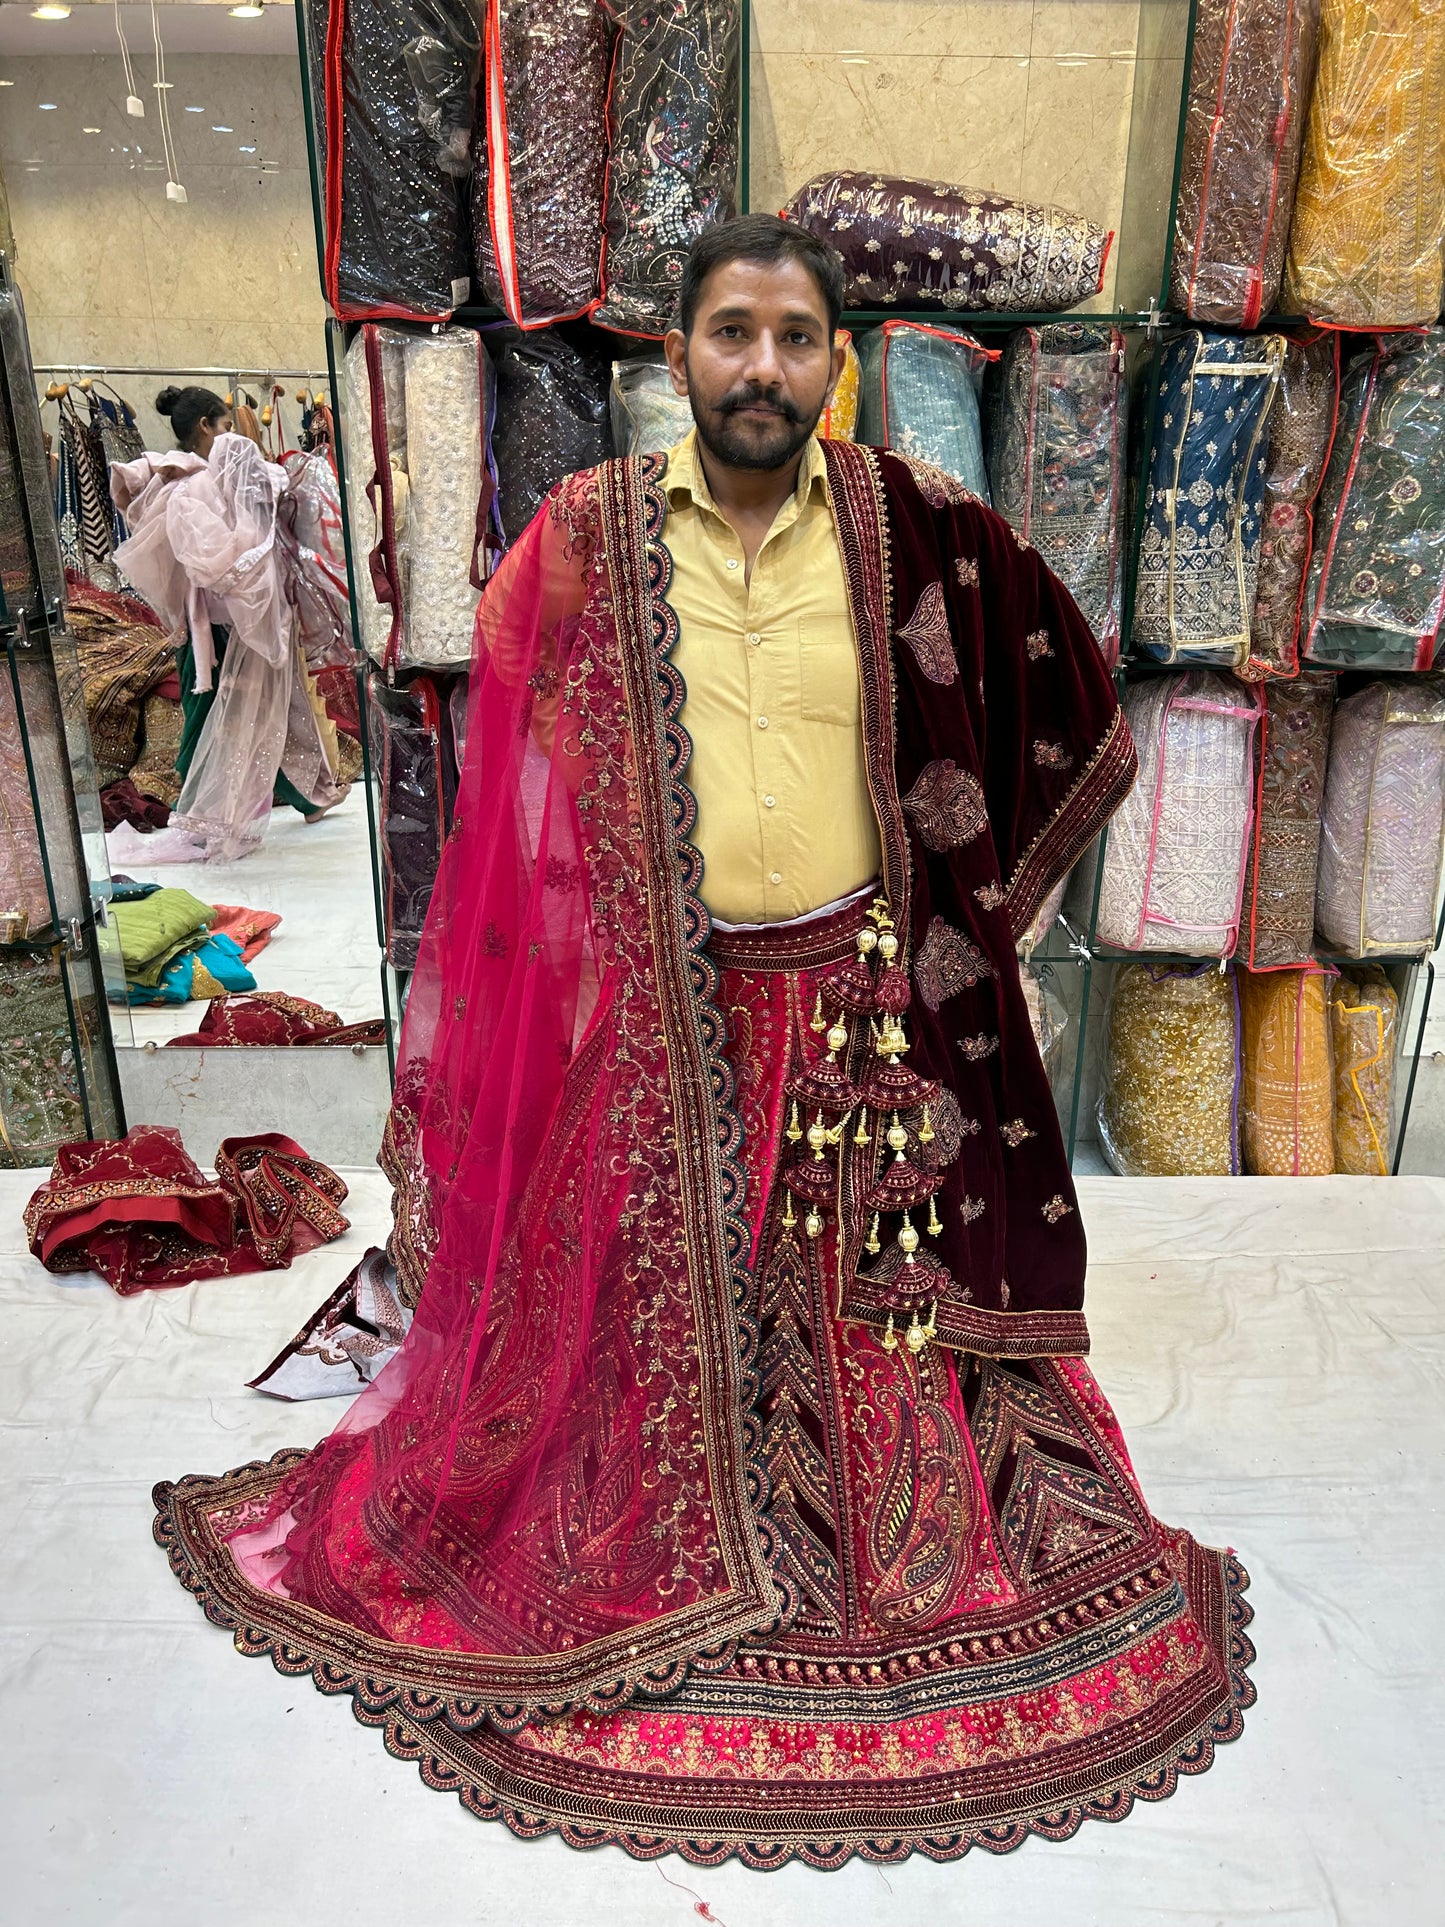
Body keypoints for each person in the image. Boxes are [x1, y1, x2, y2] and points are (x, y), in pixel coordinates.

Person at [155, 217, 1252, 1865]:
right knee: (607, 1351)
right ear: (679, 357)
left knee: (910, 1362)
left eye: (796, 337)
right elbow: (515, 798)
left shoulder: (917, 528)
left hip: (868, 1028)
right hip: (667, 1023)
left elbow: (1065, 679)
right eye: (733, 332)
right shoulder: (582, 541)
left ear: (833, 363)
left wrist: (970, 906)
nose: (764, 365)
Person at [107, 389, 350, 860]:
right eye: (225, 426)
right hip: (217, 625)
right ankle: (195, 808)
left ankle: (310, 795)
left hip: (234, 618)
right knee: (211, 715)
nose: (232, 436)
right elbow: (211, 557)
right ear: (205, 426)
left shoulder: (203, 477)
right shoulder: (184, 484)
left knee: (274, 706)